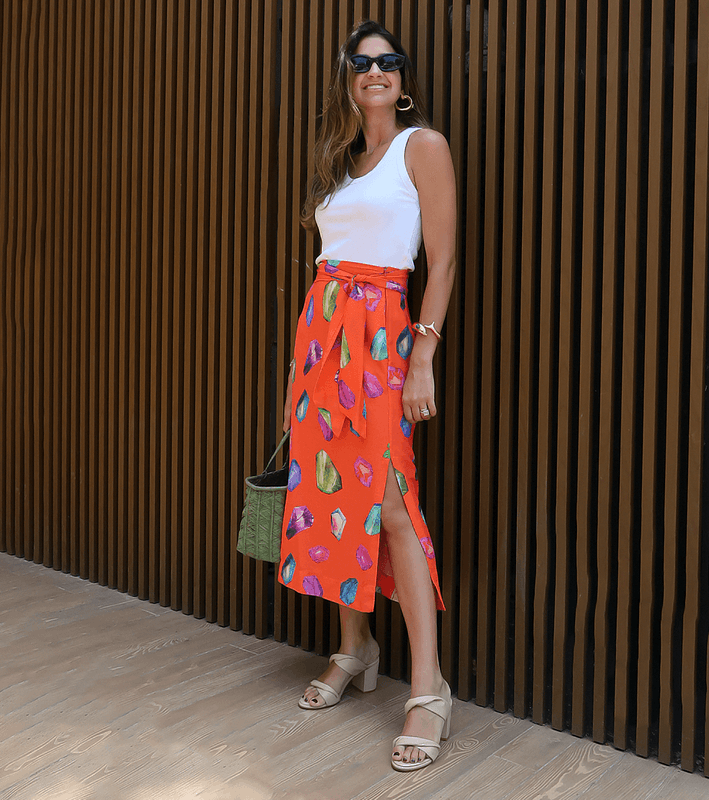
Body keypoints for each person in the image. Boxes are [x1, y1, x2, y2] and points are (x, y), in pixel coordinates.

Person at [278, 19, 456, 772]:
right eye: (362, 62)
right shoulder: (341, 160)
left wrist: (423, 357)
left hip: (384, 333)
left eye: (389, 62)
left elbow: (442, 262)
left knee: (390, 501)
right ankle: (355, 647)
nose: (375, 71)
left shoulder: (424, 147)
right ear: (347, 78)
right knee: (331, 493)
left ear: (403, 77)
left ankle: (429, 686)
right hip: (323, 334)